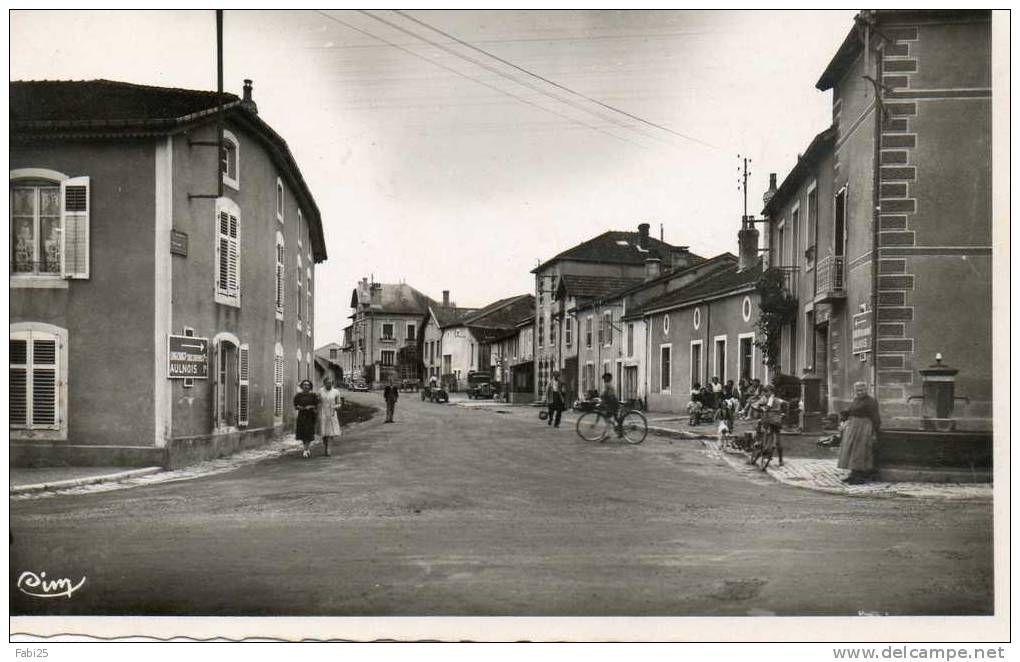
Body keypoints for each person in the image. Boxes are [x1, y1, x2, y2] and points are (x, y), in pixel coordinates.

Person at [838, 381, 882, 484]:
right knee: (851, 450)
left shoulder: (871, 401)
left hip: (864, 427)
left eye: (862, 390)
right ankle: (853, 473)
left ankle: (859, 476)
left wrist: (876, 430)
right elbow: (851, 411)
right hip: (853, 427)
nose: (859, 392)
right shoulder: (856, 400)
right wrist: (844, 417)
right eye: (857, 390)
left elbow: (875, 416)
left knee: (860, 451)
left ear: (866, 390)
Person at [293, 379, 320, 458]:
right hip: (302, 415)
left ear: (310, 386)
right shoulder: (298, 396)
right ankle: (306, 448)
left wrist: (310, 406)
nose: (306, 386)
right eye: (304, 385)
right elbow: (295, 405)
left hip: (310, 416)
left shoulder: (313, 395)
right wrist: (299, 407)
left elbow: (316, 405)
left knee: (308, 432)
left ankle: (305, 450)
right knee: (302, 432)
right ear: (302, 386)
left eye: (307, 385)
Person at [318, 377, 343, 457]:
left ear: (332, 383)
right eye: (327, 383)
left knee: (330, 432)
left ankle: (329, 448)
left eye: (331, 383)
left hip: (332, 413)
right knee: (324, 431)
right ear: (324, 383)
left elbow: (339, 403)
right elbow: (318, 402)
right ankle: (325, 446)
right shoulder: (320, 391)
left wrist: (335, 407)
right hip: (323, 412)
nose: (329, 384)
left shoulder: (336, 392)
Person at [599, 372, 623, 437]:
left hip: (612, 403)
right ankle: (620, 432)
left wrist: (602, 400)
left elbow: (607, 394)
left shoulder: (607, 385)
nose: (604, 380)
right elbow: (606, 393)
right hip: (613, 402)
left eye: (605, 378)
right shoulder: (609, 384)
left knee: (608, 418)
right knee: (615, 418)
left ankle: (608, 434)